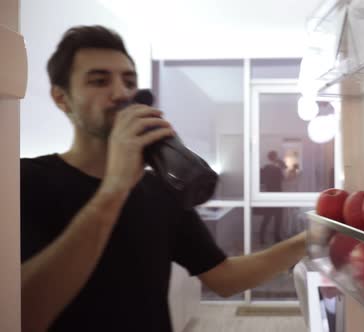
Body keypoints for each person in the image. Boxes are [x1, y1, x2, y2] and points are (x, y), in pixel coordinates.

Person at [20, 25, 307, 332]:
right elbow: (23, 314)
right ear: (61, 98)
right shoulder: (27, 182)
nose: (120, 93)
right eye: (99, 81)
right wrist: (114, 188)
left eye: (128, 81)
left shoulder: (158, 190)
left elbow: (224, 277)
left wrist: (312, 240)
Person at [258, 150, 287, 243]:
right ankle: (275, 238)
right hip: (276, 195)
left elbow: (262, 182)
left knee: (269, 217)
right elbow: (283, 178)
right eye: (275, 156)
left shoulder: (265, 168)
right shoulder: (274, 168)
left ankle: (264, 238)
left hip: (270, 195)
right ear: (273, 157)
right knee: (275, 217)